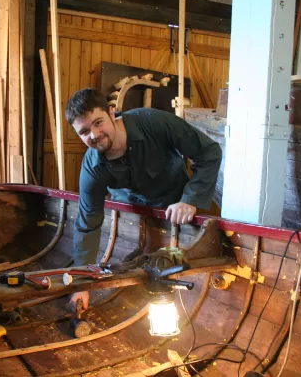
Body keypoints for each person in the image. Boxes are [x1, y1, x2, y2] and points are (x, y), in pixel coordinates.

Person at [65, 88, 222, 311]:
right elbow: (88, 223)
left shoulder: (153, 122)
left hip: (177, 209)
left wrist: (192, 199)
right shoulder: (92, 168)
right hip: (133, 217)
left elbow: (208, 152)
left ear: (112, 112)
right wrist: (80, 284)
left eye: (98, 122)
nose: (94, 134)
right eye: (84, 132)